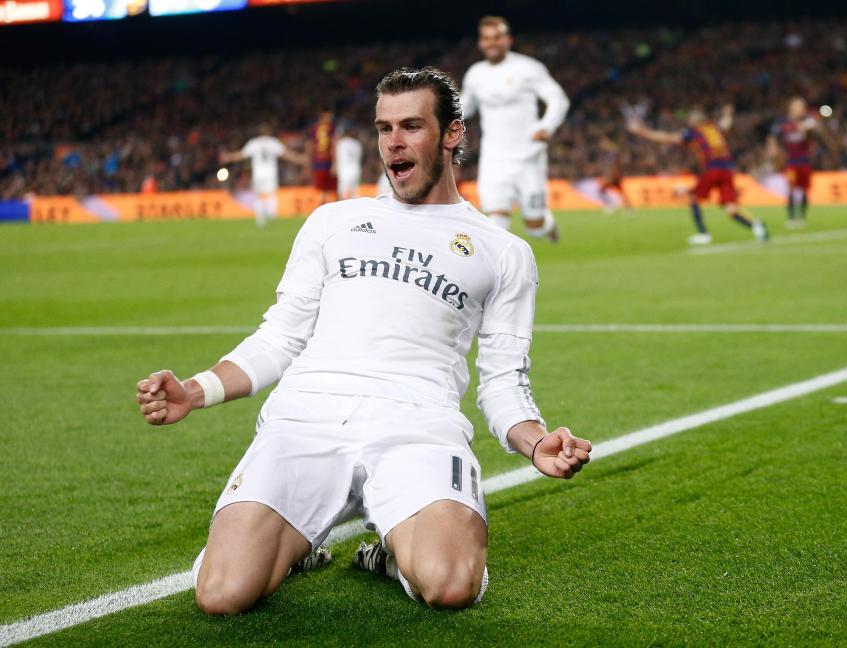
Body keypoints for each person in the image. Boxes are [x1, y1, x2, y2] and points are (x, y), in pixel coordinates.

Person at [134, 66, 591, 615]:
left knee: (451, 586)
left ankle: (391, 555)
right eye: (384, 128)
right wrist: (195, 390)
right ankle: (299, 541)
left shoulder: (504, 251)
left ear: (452, 133)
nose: (393, 142)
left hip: (418, 424)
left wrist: (534, 440)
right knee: (222, 594)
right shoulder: (334, 221)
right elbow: (280, 336)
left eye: (412, 126)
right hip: (307, 417)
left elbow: (502, 382)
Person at [462, 15, 569, 242]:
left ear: (508, 40)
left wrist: (546, 127)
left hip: (528, 157)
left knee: (534, 227)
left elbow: (558, 99)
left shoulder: (528, 68)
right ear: (480, 43)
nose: (492, 43)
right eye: (487, 38)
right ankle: (500, 274)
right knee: (495, 221)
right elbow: (466, 107)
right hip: (494, 159)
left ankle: (546, 224)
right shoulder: (475, 74)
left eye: (497, 37)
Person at [627, 105, 769, 245]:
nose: (689, 120)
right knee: (731, 208)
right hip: (727, 170)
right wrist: (728, 114)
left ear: (695, 120)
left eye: (690, 118)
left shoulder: (694, 132)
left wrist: (642, 131)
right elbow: (725, 124)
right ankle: (756, 225)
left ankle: (703, 234)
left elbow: (668, 137)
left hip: (712, 169)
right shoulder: (714, 128)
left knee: (694, 198)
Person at [220, 124, 306, 227]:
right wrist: (299, 158)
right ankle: (272, 216)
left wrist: (228, 157)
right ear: (269, 132)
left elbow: (241, 155)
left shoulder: (254, 143)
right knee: (271, 195)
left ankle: (260, 219)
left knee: (258, 196)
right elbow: (286, 154)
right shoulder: (273, 142)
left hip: (258, 174)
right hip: (270, 173)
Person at [767, 97, 818, 228]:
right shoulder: (782, 123)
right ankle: (791, 218)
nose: (801, 109)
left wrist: (804, 127)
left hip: (804, 161)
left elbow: (811, 130)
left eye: (802, 106)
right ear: (791, 107)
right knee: (790, 188)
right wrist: (772, 147)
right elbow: (772, 136)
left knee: (804, 189)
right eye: (798, 106)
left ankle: (802, 217)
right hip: (791, 162)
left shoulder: (808, 120)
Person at [308, 109, 338, 205]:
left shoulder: (314, 128)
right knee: (332, 188)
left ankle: (321, 207)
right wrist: (335, 163)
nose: (331, 119)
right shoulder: (331, 127)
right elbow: (333, 144)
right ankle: (332, 208)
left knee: (322, 189)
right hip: (328, 160)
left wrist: (310, 160)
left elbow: (310, 145)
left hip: (318, 160)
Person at [335, 128, 363, 200]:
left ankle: (343, 210)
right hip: (356, 170)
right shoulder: (357, 144)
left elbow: (338, 157)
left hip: (344, 171)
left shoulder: (341, 143)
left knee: (342, 192)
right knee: (354, 193)